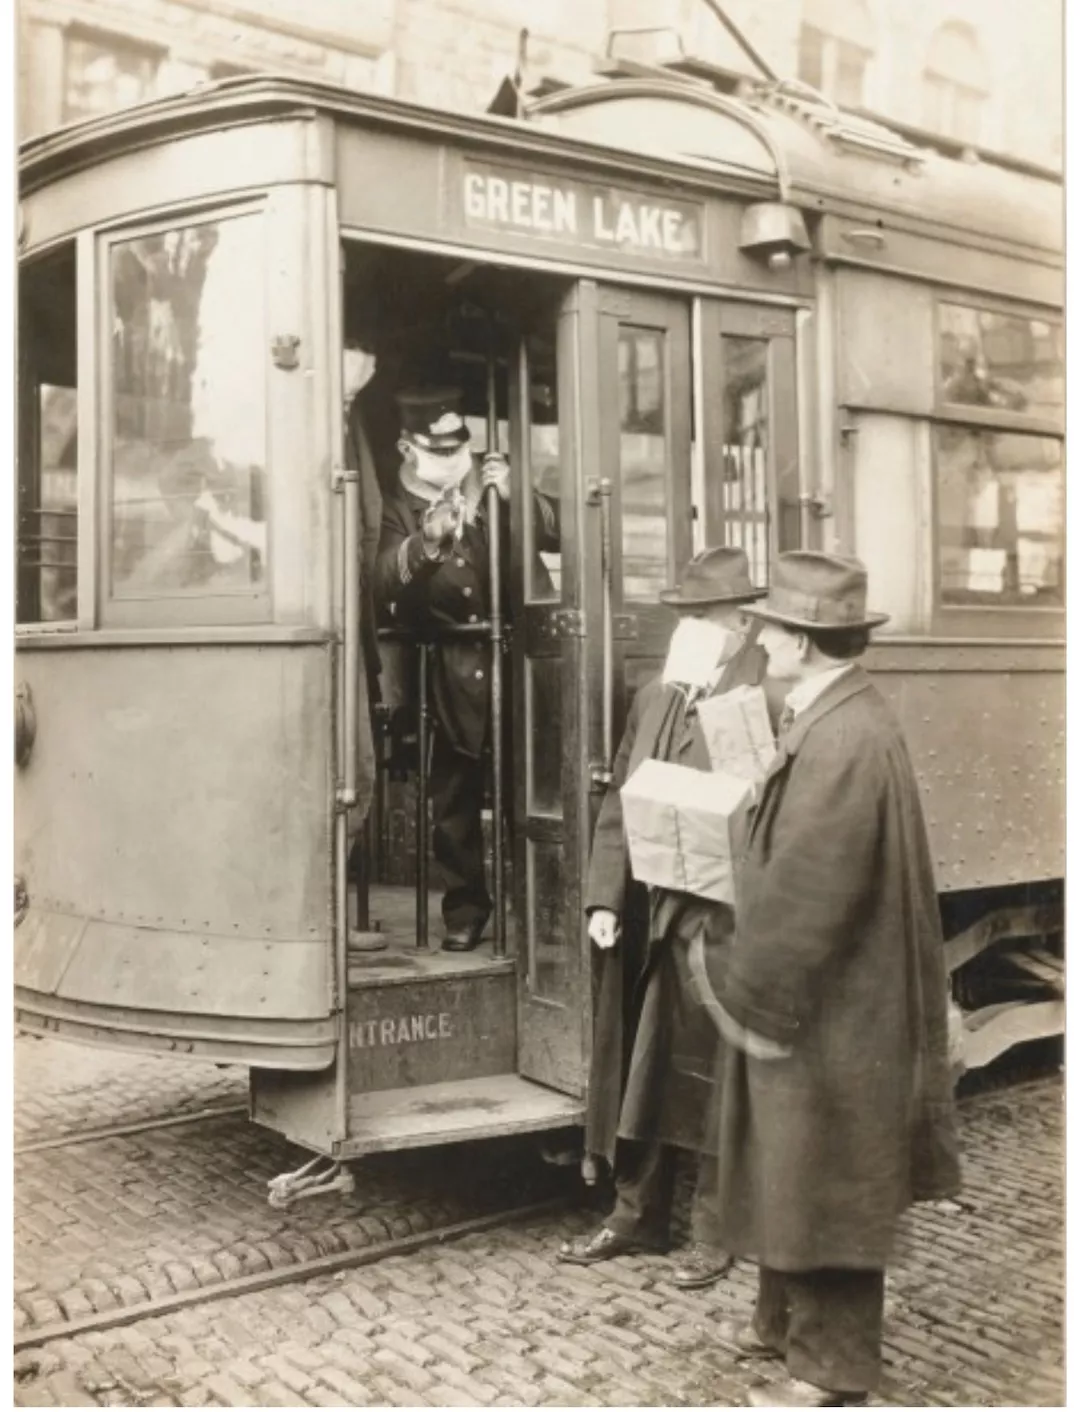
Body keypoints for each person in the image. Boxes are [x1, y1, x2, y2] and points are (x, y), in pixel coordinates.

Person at [699, 551, 960, 1407]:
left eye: (770, 625)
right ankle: (783, 1328)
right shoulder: (839, 714)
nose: (760, 635)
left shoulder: (841, 735)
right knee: (797, 1167)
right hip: (833, 1003)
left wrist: (748, 984)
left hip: (830, 1011)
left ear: (804, 643)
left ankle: (829, 1371)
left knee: (830, 1181)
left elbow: (812, 888)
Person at [558, 546, 767, 1289]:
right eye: (688, 616)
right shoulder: (655, 696)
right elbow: (620, 797)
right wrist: (605, 897)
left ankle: (718, 1229)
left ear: (741, 623)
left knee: (714, 1070)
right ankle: (635, 1216)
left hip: (724, 917)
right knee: (645, 1067)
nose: (691, 628)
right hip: (652, 914)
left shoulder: (763, 697)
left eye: (705, 616)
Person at [373, 386, 558, 951]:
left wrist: (516, 497)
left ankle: (541, 904)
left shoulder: (491, 487)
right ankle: (466, 909)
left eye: (459, 447)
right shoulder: (397, 506)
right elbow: (381, 583)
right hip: (449, 671)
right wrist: (427, 543)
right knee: (453, 799)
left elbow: (557, 533)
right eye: (439, 448)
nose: (453, 457)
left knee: (529, 790)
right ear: (408, 448)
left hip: (518, 666)